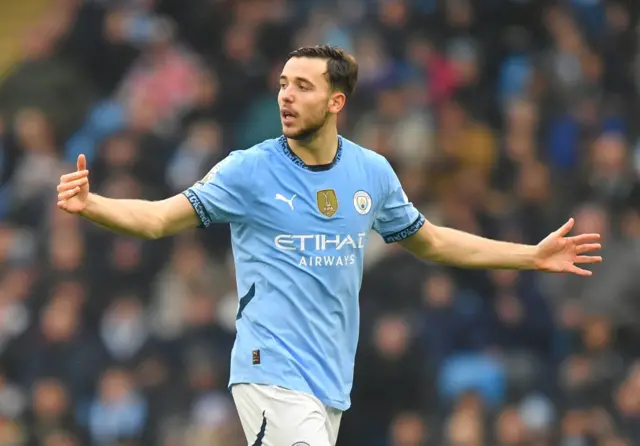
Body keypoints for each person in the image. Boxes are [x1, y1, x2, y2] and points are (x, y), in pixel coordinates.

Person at [56, 45, 602, 446]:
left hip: (330, 380)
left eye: (303, 86)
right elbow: (157, 220)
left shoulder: (372, 173)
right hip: (268, 367)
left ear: (336, 101)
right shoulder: (249, 170)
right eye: (283, 83)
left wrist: (529, 255)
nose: (286, 96)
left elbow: (432, 243)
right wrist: (93, 205)